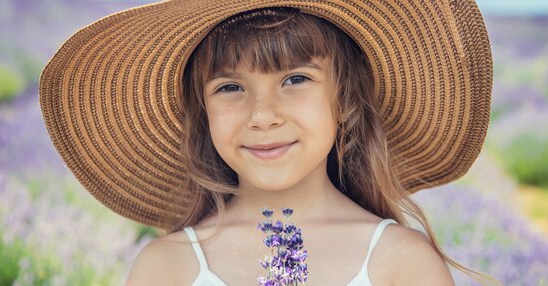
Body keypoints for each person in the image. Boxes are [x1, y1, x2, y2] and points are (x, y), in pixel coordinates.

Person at [39, 0, 499, 285]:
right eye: (230, 88)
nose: (262, 116)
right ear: (202, 113)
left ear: (346, 100)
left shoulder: (401, 264)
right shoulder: (166, 268)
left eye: (295, 79)